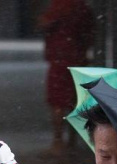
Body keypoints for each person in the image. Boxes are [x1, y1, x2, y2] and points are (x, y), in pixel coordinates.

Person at [39, 0, 94, 151]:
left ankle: (58, 140)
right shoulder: (82, 8)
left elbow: (44, 24)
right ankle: (72, 140)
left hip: (59, 59)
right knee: (74, 100)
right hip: (77, 59)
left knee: (57, 101)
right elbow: (89, 33)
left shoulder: (58, 7)